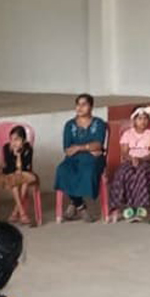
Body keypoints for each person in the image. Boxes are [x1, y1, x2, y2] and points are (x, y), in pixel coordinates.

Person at [55, 93, 108, 222]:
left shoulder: (99, 123)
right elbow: (67, 150)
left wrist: (78, 148)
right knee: (62, 170)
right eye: (78, 104)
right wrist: (89, 148)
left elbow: (98, 145)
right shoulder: (69, 125)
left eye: (84, 104)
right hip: (74, 159)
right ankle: (80, 206)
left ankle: (73, 204)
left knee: (88, 171)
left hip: (94, 159)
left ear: (91, 107)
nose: (80, 107)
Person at [108, 106, 150, 223]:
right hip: (130, 161)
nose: (143, 121)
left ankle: (140, 208)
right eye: (140, 118)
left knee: (141, 172)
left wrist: (142, 159)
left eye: (145, 118)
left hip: (147, 162)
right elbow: (124, 152)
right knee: (123, 173)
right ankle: (127, 206)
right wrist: (132, 158)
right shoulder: (127, 134)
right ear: (134, 120)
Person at [0, 125, 39, 226]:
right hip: (9, 174)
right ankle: (22, 213)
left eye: (17, 139)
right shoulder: (6, 148)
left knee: (25, 182)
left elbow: (25, 168)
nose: (13, 142)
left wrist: (19, 156)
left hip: (23, 174)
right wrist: (14, 155)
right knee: (14, 183)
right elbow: (10, 168)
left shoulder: (28, 149)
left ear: (23, 140)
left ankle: (15, 212)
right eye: (11, 139)